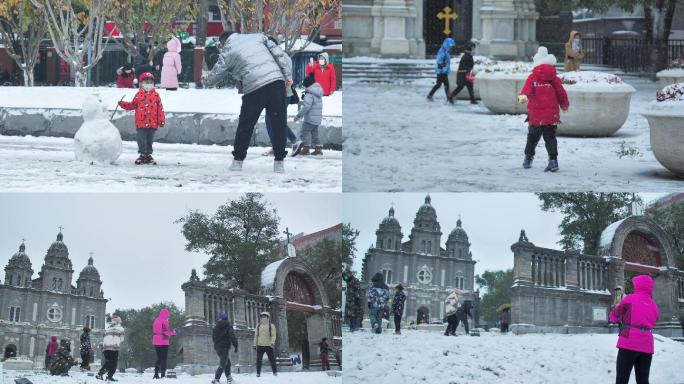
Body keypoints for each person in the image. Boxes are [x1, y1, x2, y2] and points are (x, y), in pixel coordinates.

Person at [201, 30, 293, 174]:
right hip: (276, 83)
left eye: (221, 45)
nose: (221, 48)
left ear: (224, 41)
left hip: (255, 88)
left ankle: (237, 162)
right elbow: (278, 53)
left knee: (246, 125)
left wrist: (205, 81)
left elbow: (217, 72)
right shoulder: (258, 37)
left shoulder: (229, 49)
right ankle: (279, 164)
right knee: (279, 124)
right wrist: (287, 76)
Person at [518, 46, 569, 173]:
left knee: (532, 139)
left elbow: (526, 90)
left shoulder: (533, 78)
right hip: (551, 116)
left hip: (536, 115)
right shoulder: (554, 79)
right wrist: (564, 105)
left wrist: (523, 96)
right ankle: (553, 161)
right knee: (550, 138)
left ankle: (528, 158)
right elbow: (561, 93)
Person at [610, 275, 658, 384]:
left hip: (628, 342)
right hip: (646, 346)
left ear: (637, 286)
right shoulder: (654, 304)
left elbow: (614, 315)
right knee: (643, 380)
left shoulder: (630, 298)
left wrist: (616, 315)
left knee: (622, 378)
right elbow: (654, 320)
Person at [263, 35, 303, 157]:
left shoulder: (276, 58)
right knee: (276, 121)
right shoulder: (284, 55)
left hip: (278, 94)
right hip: (284, 94)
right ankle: (285, 144)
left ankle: (289, 143)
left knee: (272, 121)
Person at [118, 72, 165, 165]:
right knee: (141, 139)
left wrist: (161, 120)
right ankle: (142, 154)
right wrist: (122, 104)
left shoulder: (156, 95)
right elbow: (133, 105)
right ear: (141, 83)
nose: (148, 84)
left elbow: (160, 108)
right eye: (146, 82)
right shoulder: (139, 95)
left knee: (149, 140)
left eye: (150, 82)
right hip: (141, 122)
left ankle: (148, 155)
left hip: (152, 123)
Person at [294, 73, 324, 156]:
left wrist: (298, 115)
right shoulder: (318, 92)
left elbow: (306, 107)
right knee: (315, 134)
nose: (305, 88)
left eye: (305, 86)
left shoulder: (310, 94)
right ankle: (318, 150)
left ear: (308, 85)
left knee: (303, 133)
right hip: (317, 118)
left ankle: (306, 149)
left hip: (310, 119)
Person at [212, 311, 238, 384]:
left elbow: (213, 338)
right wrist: (235, 345)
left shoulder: (216, 326)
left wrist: (217, 344)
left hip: (217, 347)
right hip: (224, 347)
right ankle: (216, 379)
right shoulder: (228, 325)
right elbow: (232, 336)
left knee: (227, 362)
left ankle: (229, 378)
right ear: (226, 318)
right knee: (223, 363)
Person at [96, 315, 125, 381]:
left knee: (109, 362)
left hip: (105, 348)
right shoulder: (121, 329)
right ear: (119, 322)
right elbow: (122, 339)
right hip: (114, 348)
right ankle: (105, 375)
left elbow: (104, 337)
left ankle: (105, 375)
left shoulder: (108, 328)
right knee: (113, 363)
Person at [427, 37, 455, 102]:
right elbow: (440, 61)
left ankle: (448, 98)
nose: (451, 47)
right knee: (440, 85)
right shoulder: (442, 51)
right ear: (447, 45)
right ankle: (448, 98)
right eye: (450, 46)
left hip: (443, 71)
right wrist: (443, 67)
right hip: (441, 71)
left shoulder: (446, 51)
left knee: (443, 85)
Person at [152, 308, 177, 379]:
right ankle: (163, 375)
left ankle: (156, 374)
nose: (168, 317)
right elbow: (166, 332)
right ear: (166, 314)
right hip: (163, 341)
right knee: (164, 359)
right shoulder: (165, 321)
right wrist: (174, 333)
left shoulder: (156, 320)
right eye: (168, 315)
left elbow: (156, 330)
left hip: (156, 341)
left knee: (159, 358)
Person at [253, 311, 277, 377]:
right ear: (261, 317)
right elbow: (256, 335)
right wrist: (255, 344)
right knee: (259, 360)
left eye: (265, 316)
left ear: (267, 317)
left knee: (271, 359)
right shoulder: (258, 325)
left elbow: (273, 335)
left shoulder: (271, 325)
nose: (263, 318)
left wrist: (272, 342)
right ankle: (258, 373)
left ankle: (274, 372)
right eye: (262, 316)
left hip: (268, 345)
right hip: (260, 345)